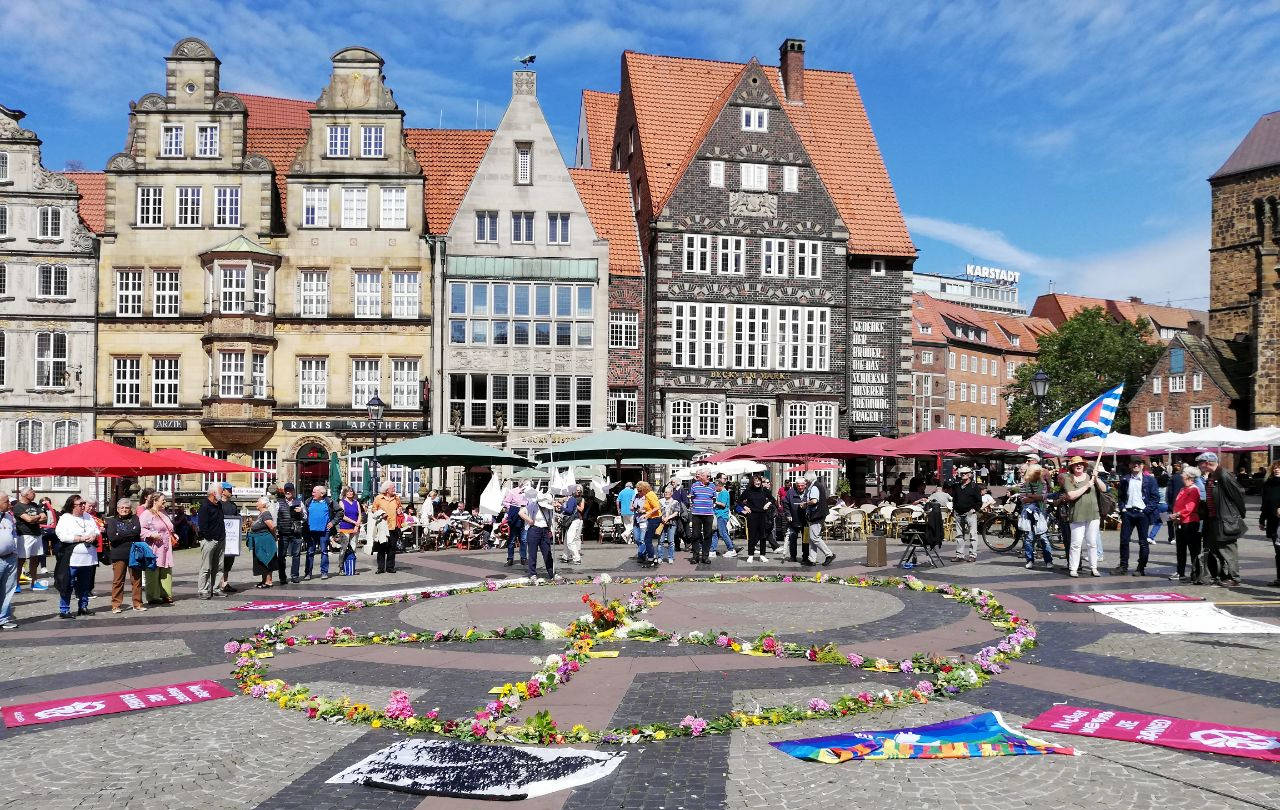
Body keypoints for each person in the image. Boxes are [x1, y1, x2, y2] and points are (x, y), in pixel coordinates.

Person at [1196, 452, 1246, 587]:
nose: (1199, 466)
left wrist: (1237, 515)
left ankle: (1234, 577)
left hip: (1225, 519)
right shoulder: (1212, 476)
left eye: (1200, 463)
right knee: (1215, 549)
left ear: (1207, 463)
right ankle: (1220, 575)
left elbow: (1238, 494)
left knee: (1228, 549)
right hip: (1213, 519)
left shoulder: (1223, 474)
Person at [54, 495, 99, 617]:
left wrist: (94, 536)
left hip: (89, 557)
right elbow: (62, 535)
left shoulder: (88, 516)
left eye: (84, 503)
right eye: (80, 504)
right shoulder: (65, 518)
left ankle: (83, 606)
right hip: (72, 558)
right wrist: (80, 538)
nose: (84, 506)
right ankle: (64, 609)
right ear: (72, 506)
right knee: (67, 583)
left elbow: (96, 530)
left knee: (85, 584)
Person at [1060, 456, 1105, 577]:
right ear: (1072, 467)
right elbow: (1071, 495)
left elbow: (1104, 489)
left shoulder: (1091, 477)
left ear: (1084, 465)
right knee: (1076, 543)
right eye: (1076, 464)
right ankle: (1073, 568)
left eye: (1080, 464)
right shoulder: (1069, 479)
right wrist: (1086, 486)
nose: (1078, 465)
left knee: (1092, 543)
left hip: (1093, 514)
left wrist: (1097, 478)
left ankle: (1094, 567)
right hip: (1077, 515)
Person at [1114, 459, 1160, 576]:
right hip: (1128, 513)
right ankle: (1123, 566)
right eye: (1133, 463)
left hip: (1142, 513)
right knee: (1124, 540)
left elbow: (1155, 498)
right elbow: (1120, 496)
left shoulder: (1149, 480)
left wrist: (1146, 510)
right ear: (1129, 465)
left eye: (1138, 464)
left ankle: (1141, 567)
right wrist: (1123, 508)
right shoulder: (1125, 479)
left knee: (1143, 542)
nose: (1136, 465)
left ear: (1142, 466)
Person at [105, 498, 144, 614]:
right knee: (118, 580)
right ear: (117, 509)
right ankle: (116, 605)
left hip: (134, 553)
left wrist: (121, 534)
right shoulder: (111, 521)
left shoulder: (135, 518)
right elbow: (112, 537)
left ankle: (137, 603)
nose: (124, 510)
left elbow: (137, 531)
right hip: (118, 554)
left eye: (126, 508)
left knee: (137, 579)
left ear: (130, 509)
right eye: (122, 508)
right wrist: (129, 533)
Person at [139, 493, 176, 605]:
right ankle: (153, 596)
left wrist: (174, 534)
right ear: (155, 501)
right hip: (153, 547)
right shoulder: (146, 514)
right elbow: (141, 530)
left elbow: (169, 528)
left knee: (166, 570)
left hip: (165, 547)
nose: (165, 502)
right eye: (163, 500)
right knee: (153, 571)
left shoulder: (164, 513)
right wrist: (151, 534)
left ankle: (166, 594)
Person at [1170, 468, 1203, 583]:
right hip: (1180, 522)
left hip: (1190, 522)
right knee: (1180, 549)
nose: (1181, 477)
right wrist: (1175, 515)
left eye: (1183, 475)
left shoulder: (1194, 490)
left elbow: (1190, 507)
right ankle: (1180, 572)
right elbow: (1178, 504)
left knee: (1193, 549)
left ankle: (1196, 573)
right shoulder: (1183, 489)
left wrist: (1178, 514)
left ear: (1189, 477)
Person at [1018, 465, 1053, 570]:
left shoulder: (1042, 483)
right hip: (1028, 513)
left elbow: (1043, 497)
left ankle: (1048, 560)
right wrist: (1036, 498)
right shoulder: (1025, 484)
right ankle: (1029, 560)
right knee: (1029, 537)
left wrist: (1031, 497)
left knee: (1043, 536)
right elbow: (1023, 499)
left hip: (1040, 512)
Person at [196, 484, 227, 599]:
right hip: (209, 540)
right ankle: (203, 590)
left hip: (220, 539)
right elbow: (202, 526)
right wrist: (209, 538)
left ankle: (216, 588)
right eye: (221, 491)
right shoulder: (205, 506)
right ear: (214, 493)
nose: (223, 493)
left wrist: (222, 536)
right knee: (206, 567)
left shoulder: (218, 505)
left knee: (219, 566)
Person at [13, 488, 46, 593]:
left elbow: (44, 517)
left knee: (35, 559)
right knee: (21, 560)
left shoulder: (35, 505)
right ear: (25, 494)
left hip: (37, 534)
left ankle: (34, 583)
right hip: (24, 535)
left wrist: (33, 518)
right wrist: (36, 517)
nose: (34, 494)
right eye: (32, 492)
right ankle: (16, 584)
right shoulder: (18, 506)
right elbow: (28, 519)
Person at [741, 473, 776, 563]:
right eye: (755, 481)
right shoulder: (748, 491)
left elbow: (773, 499)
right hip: (752, 515)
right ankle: (750, 555)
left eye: (759, 481)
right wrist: (745, 507)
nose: (757, 482)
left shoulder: (764, 490)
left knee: (763, 536)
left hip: (763, 515)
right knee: (752, 536)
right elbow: (739, 500)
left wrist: (768, 503)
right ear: (752, 482)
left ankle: (762, 555)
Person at [802, 472, 835, 567]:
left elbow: (814, 500)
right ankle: (812, 559)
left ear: (809, 479)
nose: (805, 481)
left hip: (817, 515)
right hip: (818, 514)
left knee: (814, 538)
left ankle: (829, 554)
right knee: (812, 538)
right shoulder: (817, 485)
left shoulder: (814, 487)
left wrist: (805, 504)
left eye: (805, 479)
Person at [521, 489, 555, 579]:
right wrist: (530, 520)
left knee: (547, 553)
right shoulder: (533, 505)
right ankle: (532, 573)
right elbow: (521, 512)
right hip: (534, 530)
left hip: (545, 531)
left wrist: (552, 530)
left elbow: (550, 520)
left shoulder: (549, 509)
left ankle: (551, 572)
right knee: (532, 553)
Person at [951, 467, 982, 563]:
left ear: (970, 474)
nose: (963, 475)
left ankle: (972, 555)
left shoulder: (974, 486)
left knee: (973, 535)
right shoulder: (957, 486)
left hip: (969, 513)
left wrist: (974, 509)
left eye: (965, 473)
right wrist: (954, 509)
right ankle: (959, 555)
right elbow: (954, 499)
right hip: (958, 513)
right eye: (961, 473)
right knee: (959, 535)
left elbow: (979, 501)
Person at [247, 497, 278, 589]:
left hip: (265, 541)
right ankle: (264, 580)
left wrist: (274, 537)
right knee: (262, 561)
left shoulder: (266, 514)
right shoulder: (261, 514)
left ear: (263, 504)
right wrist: (252, 524)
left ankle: (268, 581)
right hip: (260, 542)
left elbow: (272, 526)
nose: (256, 503)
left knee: (267, 560)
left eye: (258, 502)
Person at [687, 471, 716, 565]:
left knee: (708, 535)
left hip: (708, 514)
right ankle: (695, 557)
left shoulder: (712, 486)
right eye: (707, 475)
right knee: (695, 535)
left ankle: (705, 557)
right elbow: (691, 498)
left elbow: (714, 499)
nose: (709, 477)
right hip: (696, 514)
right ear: (701, 477)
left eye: (709, 476)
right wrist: (694, 506)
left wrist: (710, 507)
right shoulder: (694, 485)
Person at [216, 483, 241, 594]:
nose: (231, 491)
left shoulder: (233, 505)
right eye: (229, 490)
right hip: (220, 536)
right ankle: (218, 583)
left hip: (231, 539)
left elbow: (237, 519)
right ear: (223, 491)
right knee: (219, 561)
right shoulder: (217, 504)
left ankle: (225, 582)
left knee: (229, 561)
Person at [305, 485, 333, 580]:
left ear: (322, 493)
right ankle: (308, 573)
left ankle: (324, 572)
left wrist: (332, 523)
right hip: (311, 531)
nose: (312, 494)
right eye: (312, 492)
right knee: (310, 552)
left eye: (314, 492)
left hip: (324, 531)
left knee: (324, 552)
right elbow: (304, 514)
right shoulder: (308, 501)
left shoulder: (329, 502)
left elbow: (340, 512)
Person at [0, 494, 20, 629]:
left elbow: (13, 534)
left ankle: (3, 618)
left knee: (8, 589)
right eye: (7, 501)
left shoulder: (8, 516)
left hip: (10, 557)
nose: (10, 504)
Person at [1260, 460, 1280, 587]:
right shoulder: (1268, 484)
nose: (1277, 470)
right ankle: (1279, 579)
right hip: (1273, 521)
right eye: (1275, 468)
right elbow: (1265, 504)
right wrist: (1262, 519)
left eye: (1279, 468)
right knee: (1278, 551)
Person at [336, 487, 362, 576]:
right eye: (348, 492)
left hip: (355, 528)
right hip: (345, 527)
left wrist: (357, 525)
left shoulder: (356, 502)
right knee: (343, 548)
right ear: (345, 493)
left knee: (353, 548)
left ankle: (351, 567)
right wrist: (354, 522)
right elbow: (342, 516)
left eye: (351, 492)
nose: (350, 493)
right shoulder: (342, 502)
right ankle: (341, 567)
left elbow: (359, 514)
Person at [783, 479, 809, 564]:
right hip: (793, 519)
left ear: (805, 485)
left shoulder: (809, 492)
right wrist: (788, 515)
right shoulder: (791, 492)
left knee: (805, 539)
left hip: (805, 520)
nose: (800, 487)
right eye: (798, 486)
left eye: (802, 485)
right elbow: (785, 503)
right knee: (792, 538)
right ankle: (793, 556)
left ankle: (805, 557)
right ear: (796, 485)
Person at [635, 480, 661, 568]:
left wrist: (646, 514)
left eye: (640, 491)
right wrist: (643, 511)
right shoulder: (648, 494)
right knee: (647, 539)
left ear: (644, 489)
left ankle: (651, 558)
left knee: (647, 539)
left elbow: (657, 507)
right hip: (652, 518)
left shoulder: (650, 495)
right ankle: (652, 557)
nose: (639, 493)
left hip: (655, 519)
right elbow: (650, 508)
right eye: (638, 491)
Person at [503, 482, 528, 567]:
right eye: (526, 484)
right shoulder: (513, 492)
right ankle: (510, 558)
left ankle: (523, 558)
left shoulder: (529, 493)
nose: (527, 486)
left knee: (523, 539)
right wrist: (514, 507)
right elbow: (505, 502)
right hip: (514, 518)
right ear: (521, 484)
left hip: (525, 517)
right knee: (512, 539)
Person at [558, 485, 584, 566]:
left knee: (570, 540)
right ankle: (565, 557)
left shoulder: (572, 499)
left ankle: (577, 558)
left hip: (574, 521)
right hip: (571, 521)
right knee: (566, 539)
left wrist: (561, 507)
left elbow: (569, 510)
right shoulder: (569, 499)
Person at [710, 480, 737, 558]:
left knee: (723, 532)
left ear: (719, 485)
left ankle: (731, 549)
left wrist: (714, 502)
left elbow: (723, 504)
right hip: (718, 515)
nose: (714, 489)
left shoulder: (724, 493)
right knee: (715, 533)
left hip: (722, 515)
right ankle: (712, 550)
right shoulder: (722, 492)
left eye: (715, 487)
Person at [657, 485, 679, 564]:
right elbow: (658, 511)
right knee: (660, 541)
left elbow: (676, 513)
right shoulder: (660, 501)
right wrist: (662, 517)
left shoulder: (675, 502)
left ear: (671, 493)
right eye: (665, 492)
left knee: (671, 541)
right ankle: (660, 557)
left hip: (671, 523)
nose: (666, 493)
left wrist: (668, 518)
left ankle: (670, 557)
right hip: (661, 523)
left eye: (668, 492)